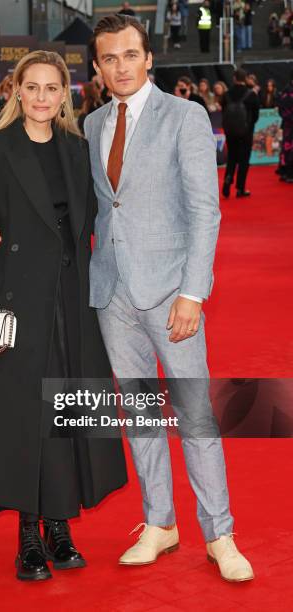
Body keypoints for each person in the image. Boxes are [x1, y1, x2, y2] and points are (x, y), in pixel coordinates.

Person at [84, 14, 254, 582]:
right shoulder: (92, 125)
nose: (121, 67)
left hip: (170, 293)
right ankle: (159, 522)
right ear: (98, 67)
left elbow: (206, 211)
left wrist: (193, 293)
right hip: (113, 294)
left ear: (149, 57)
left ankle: (220, 533)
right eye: (109, 59)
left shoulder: (185, 117)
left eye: (130, 54)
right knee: (139, 414)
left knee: (195, 414)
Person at [0, 50, 127, 582]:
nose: (43, 98)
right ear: (17, 92)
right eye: (33, 87)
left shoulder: (79, 150)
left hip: (71, 298)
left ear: (65, 95)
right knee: (24, 413)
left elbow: (101, 216)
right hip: (16, 297)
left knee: (67, 408)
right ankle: (29, 532)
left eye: (53, 88)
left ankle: (60, 524)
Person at [221, 68, 260, 198]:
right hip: (246, 132)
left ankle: (228, 179)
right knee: (244, 160)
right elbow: (256, 115)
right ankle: (240, 188)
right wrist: (248, 126)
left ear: (234, 78)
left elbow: (223, 111)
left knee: (232, 157)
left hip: (230, 131)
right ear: (246, 79)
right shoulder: (251, 95)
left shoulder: (226, 94)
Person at [277, 70, 293, 183]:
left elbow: (281, 110)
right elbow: (282, 109)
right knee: (288, 149)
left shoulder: (285, 91)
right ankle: (288, 173)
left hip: (288, 124)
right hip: (289, 125)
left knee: (287, 149)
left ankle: (285, 172)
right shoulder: (287, 92)